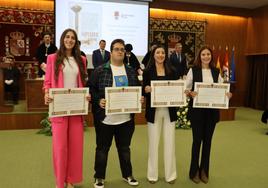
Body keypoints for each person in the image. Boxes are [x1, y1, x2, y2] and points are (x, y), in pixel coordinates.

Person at [89, 39, 142, 188]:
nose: (120, 52)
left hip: (126, 119)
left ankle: (127, 175)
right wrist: (98, 100)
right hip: (105, 119)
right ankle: (99, 177)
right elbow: (91, 90)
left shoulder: (130, 70)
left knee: (125, 149)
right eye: (117, 49)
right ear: (110, 52)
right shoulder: (100, 70)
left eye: (122, 49)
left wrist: (140, 98)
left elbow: (137, 90)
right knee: (102, 149)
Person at [43, 28, 90, 188]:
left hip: (76, 109)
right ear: (63, 39)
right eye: (67, 37)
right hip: (59, 108)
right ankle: (60, 182)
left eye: (73, 38)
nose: (69, 40)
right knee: (60, 147)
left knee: (76, 147)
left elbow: (82, 83)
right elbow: (47, 82)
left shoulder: (82, 60)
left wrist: (86, 96)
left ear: (75, 42)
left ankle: (70, 179)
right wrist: (46, 94)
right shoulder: (52, 58)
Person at [185, 46, 232, 184]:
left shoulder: (216, 71)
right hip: (197, 113)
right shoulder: (193, 70)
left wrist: (227, 94)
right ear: (199, 56)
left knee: (208, 142)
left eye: (208, 54)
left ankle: (204, 171)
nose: (206, 56)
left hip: (211, 113)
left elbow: (222, 89)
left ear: (211, 56)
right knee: (197, 142)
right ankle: (194, 171)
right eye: (203, 54)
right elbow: (186, 88)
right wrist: (190, 93)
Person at [143, 45, 178, 184]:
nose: (160, 55)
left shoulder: (173, 71)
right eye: (158, 52)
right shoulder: (147, 71)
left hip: (169, 111)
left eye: (163, 52)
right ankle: (152, 175)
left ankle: (170, 175)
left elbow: (177, 89)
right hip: (153, 112)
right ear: (153, 55)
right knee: (153, 143)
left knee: (170, 143)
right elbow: (143, 90)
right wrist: (146, 89)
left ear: (165, 55)